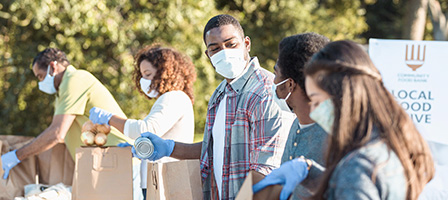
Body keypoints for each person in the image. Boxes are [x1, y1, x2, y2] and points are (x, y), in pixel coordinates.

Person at [131, 14, 294, 199]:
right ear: (208, 55)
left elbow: (266, 172)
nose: (224, 52)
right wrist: (170, 148)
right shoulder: (220, 94)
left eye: (231, 44)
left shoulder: (265, 93)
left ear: (246, 43)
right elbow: (214, 148)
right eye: (215, 48)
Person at [264, 40, 434, 199]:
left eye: (316, 100)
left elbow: (355, 182)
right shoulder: (386, 144)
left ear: (343, 96)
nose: (314, 110)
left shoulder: (358, 167)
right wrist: (310, 173)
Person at [0, 48, 143, 199]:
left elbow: (56, 133)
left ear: (53, 66)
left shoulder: (74, 80)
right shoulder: (61, 91)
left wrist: (16, 156)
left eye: (41, 77)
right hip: (103, 165)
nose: (40, 83)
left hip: (119, 162)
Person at [89, 45, 196, 199]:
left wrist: (109, 118)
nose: (143, 80)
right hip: (158, 179)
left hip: (167, 181)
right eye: (142, 75)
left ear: (164, 72)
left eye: (148, 74)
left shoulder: (174, 98)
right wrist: (138, 150)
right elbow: (160, 137)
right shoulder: (170, 99)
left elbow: (147, 129)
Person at [253, 33, 330, 200]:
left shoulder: (336, 135)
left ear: (289, 84)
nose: (273, 82)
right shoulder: (296, 124)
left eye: (276, 74)